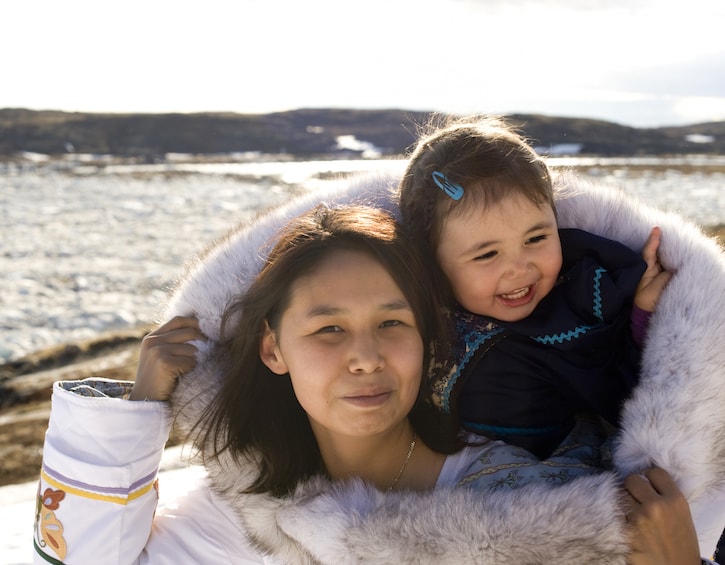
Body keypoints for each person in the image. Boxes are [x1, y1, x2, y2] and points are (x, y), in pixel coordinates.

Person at [34, 204, 618, 564]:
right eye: (328, 328)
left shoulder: (523, 496)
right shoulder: (245, 507)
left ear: (429, 340)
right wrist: (140, 409)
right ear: (273, 348)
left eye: (392, 323)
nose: (365, 358)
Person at [398, 114, 673, 458]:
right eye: (486, 254)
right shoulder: (405, 314)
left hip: (562, 475)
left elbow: (623, 390)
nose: (520, 268)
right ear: (431, 262)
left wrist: (641, 312)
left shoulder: (580, 302)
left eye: (537, 237)